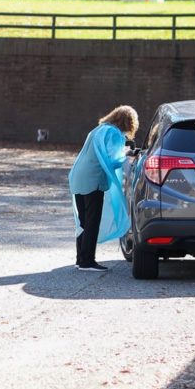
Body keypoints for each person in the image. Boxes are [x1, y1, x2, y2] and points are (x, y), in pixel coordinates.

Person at [69, 105, 139, 271]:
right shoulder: (113, 133)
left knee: (83, 221)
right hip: (93, 179)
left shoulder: (98, 129)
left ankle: (81, 259)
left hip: (78, 177)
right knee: (92, 221)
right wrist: (128, 154)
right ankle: (88, 261)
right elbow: (111, 159)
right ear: (128, 122)